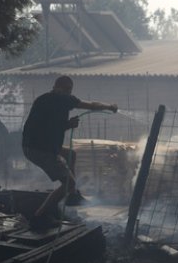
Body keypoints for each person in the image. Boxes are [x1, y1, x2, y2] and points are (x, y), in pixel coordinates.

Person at [22, 75, 117, 230]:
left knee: (71, 154)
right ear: (65, 89)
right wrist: (110, 106)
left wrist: (67, 125)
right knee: (68, 183)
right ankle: (38, 217)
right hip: (40, 149)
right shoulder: (64, 99)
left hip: (36, 144)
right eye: (68, 90)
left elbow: (47, 127)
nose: (68, 93)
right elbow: (92, 105)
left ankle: (72, 196)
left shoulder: (42, 99)